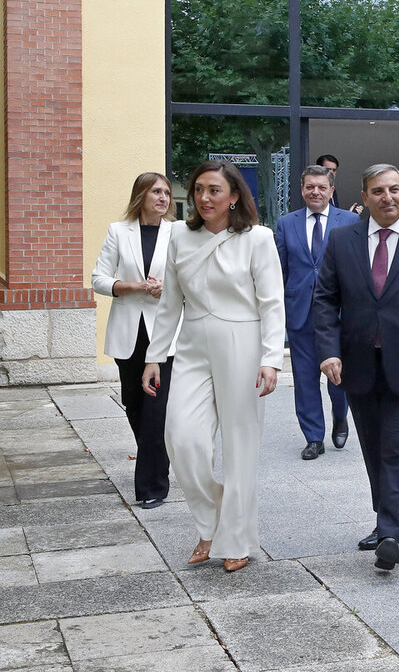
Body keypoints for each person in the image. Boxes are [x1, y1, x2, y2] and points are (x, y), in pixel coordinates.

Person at [141, 160, 284, 573]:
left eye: (215, 190)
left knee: (240, 449)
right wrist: (154, 356)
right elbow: (169, 305)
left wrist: (272, 359)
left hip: (243, 343)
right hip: (191, 346)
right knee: (182, 439)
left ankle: (234, 538)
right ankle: (213, 519)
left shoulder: (257, 239)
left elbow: (272, 302)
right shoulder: (179, 238)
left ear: (234, 195)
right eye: (199, 189)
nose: (204, 197)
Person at [313, 164, 399, 571]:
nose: (388, 198)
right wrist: (328, 351)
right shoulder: (341, 240)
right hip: (358, 362)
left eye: (394, 190)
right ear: (364, 197)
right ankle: (384, 517)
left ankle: (391, 530)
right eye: (378, 191)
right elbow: (324, 299)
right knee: (372, 446)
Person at [92, 172, 179, 510]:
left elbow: (187, 279)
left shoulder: (178, 233)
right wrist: (133, 286)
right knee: (134, 403)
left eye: (167, 193)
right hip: (129, 332)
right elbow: (99, 279)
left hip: (165, 332)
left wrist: (164, 288)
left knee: (156, 407)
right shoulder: (119, 231)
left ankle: (152, 485)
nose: (163, 198)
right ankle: (158, 459)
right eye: (156, 191)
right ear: (141, 195)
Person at [276, 166, 359, 461]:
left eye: (322, 187)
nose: (316, 192)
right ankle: (313, 437)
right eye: (310, 187)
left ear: (331, 190)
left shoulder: (349, 220)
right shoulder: (286, 224)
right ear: (301, 189)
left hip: (339, 314)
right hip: (301, 313)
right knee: (305, 378)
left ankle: (340, 414)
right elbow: (281, 271)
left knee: (339, 375)